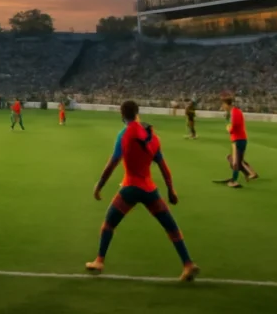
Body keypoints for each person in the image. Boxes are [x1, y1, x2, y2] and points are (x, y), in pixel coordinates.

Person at [85, 100, 198, 281]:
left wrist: (99, 186)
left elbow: (112, 164)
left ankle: (99, 260)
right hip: (149, 190)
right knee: (171, 227)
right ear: (138, 112)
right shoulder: (152, 137)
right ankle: (188, 263)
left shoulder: (124, 135)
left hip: (130, 188)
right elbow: (163, 167)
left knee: (109, 224)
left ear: (122, 115)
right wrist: (171, 190)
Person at [216, 96, 257, 187]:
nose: (222, 107)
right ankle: (249, 174)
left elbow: (234, 127)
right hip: (239, 139)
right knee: (235, 159)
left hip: (238, 139)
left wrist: (228, 128)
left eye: (223, 104)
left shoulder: (235, 112)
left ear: (226, 104)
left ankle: (235, 180)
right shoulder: (234, 112)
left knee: (235, 161)